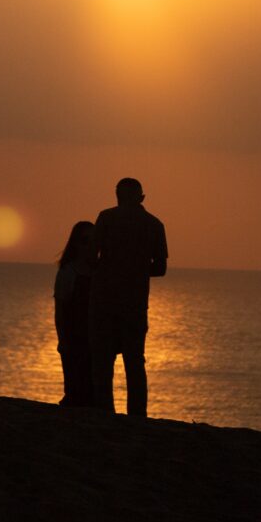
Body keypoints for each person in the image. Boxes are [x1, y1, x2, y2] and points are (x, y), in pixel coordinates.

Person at [89, 178, 168, 417]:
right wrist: (137, 271)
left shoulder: (105, 218)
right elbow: (160, 268)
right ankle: (137, 415)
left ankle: (105, 412)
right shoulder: (154, 224)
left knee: (103, 362)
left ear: (117, 196)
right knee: (135, 362)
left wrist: (109, 270)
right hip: (135, 304)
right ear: (142, 198)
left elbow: (91, 258)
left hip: (103, 301)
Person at [54, 220, 95, 407]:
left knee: (93, 390)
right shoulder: (68, 271)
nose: (89, 245)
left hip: (94, 338)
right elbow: (61, 309)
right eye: (85, 240)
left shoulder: (99, 271)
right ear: (76, 243)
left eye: (93, 240)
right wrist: (62, 339)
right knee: (74, 390)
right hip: (74, 337)